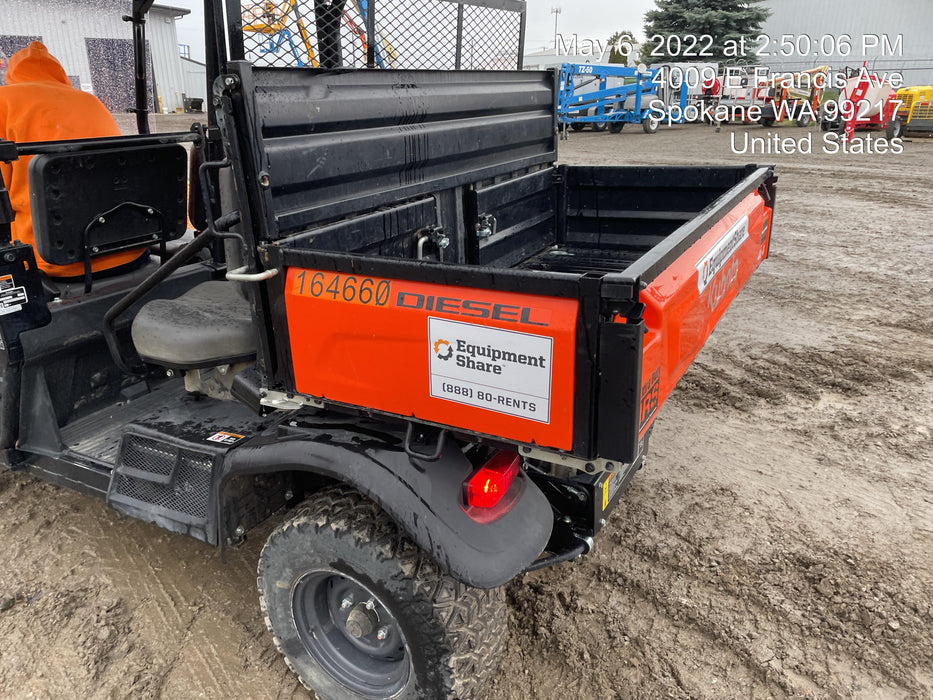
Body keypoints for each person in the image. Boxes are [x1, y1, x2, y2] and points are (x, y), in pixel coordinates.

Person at [0, 41, 145, 277]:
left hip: (49, 262)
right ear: (58, 73)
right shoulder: (90, 101)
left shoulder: (3, 101)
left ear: (12, 74)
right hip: (131, 249)